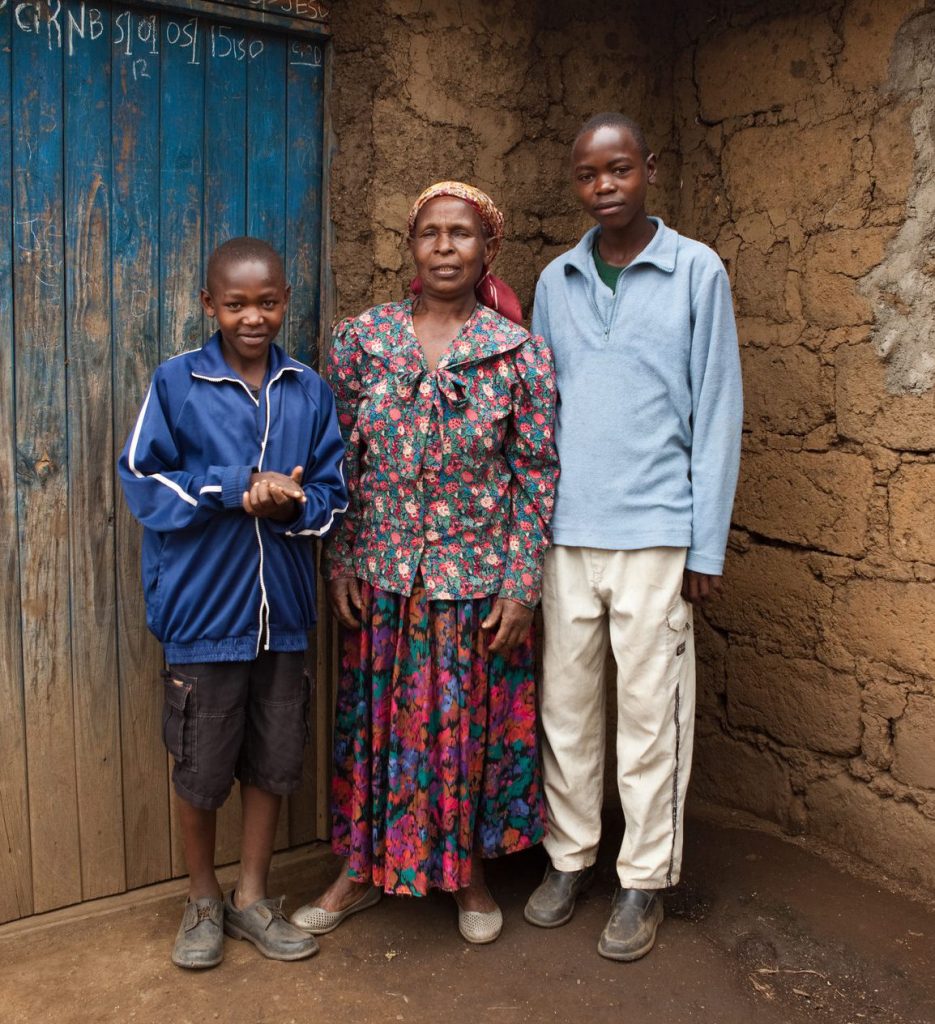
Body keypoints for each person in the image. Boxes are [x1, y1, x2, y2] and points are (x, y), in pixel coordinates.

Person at [290, 182, 559, 944]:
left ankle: (464, 875)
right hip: (382, 576)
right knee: (380, 729)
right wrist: (340, 558)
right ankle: (359, 869)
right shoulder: (362, 340)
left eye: (461, 235)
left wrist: (520, 585)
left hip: (474, 583)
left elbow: (536, 469)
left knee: (461, 732)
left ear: (487, 250)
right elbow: (336, 457)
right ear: (411, 247)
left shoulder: (518, 352)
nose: (445, 247)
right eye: (430, 234)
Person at [523, 113, 743, 961]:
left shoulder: (695, 271)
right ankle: (569, 855)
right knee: (565, 710)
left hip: (656, 534)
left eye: (618, 169)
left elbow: (717, 408)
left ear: (648, 169)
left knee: (651, 716)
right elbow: (540, 414)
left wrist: (704, 545)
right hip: (566, 534)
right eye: (587, 175)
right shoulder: (556, 279)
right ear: (574, 183)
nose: (603, 186)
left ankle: (643, 879)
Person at [118, 237, 348, 969]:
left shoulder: (308, 389)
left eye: (269, 301)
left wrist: (288, 505)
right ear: (208, 304)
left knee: (274, 760)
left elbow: (333, 496)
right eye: (237, 303)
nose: (254, 316)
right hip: (201, 613)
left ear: (286, 299)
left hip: (281, 617)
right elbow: (142, 480)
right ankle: (201, 897)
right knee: (201, 765)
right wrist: (235, 485)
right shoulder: (177, 382)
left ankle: (252, 896)